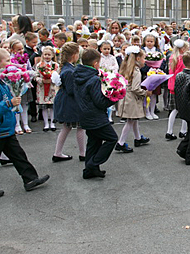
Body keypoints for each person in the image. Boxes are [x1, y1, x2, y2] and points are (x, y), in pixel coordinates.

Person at [0, 48, 50, 199]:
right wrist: (9, 103)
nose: (11, 63)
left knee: (17, 154)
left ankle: (30, 179)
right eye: (7, 60)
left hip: (3, 127)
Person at [74, 48, 118, 179]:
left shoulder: (78, 75)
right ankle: (93, 164)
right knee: (112, 138)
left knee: (94, 141)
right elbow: (99, 101)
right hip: (95, 116)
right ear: (95, 64)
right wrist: (113, 97)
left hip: (85, 114)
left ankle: (90, 170)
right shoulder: (93, 79)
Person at [52, 42, 86, 162]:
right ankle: (82, 153)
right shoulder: (69, 71)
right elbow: (72, 90)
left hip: (67, 102)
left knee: (67, 127)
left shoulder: (67, 68)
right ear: (74, 54)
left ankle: (58, 152)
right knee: (80, 127)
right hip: (70, 103)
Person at [115, 46, 151, 152]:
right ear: (138, 59)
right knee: (130, 120)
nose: (145, 60)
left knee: (134, 119)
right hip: (131, 98)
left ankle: (138, 138)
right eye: (144, 58)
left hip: (126, 97)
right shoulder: (136, 71)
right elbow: (135, 88)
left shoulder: (125, 68)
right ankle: (120, 142)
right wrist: (145, 93)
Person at [165, 39, 190, 140]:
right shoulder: (183, 59)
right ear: (183, 49)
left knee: (174, 110)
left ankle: (169, 131)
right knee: (184, 110)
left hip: (172, 86)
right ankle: (183, 131)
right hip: (181, 86)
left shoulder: (172, 57)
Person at [35, 47, 58, 131]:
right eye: (45, 54)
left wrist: (52, 80)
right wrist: (41, 80)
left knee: (52, 106)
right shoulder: (39, 65)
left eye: (49, 54)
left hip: (52, 88)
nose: (47, 56)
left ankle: (52, 122)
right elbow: (36, 76)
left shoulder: (55, 65)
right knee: (44, 106)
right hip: (42, 88)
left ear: (52, 55)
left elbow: (58, 76)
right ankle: (46, 123)